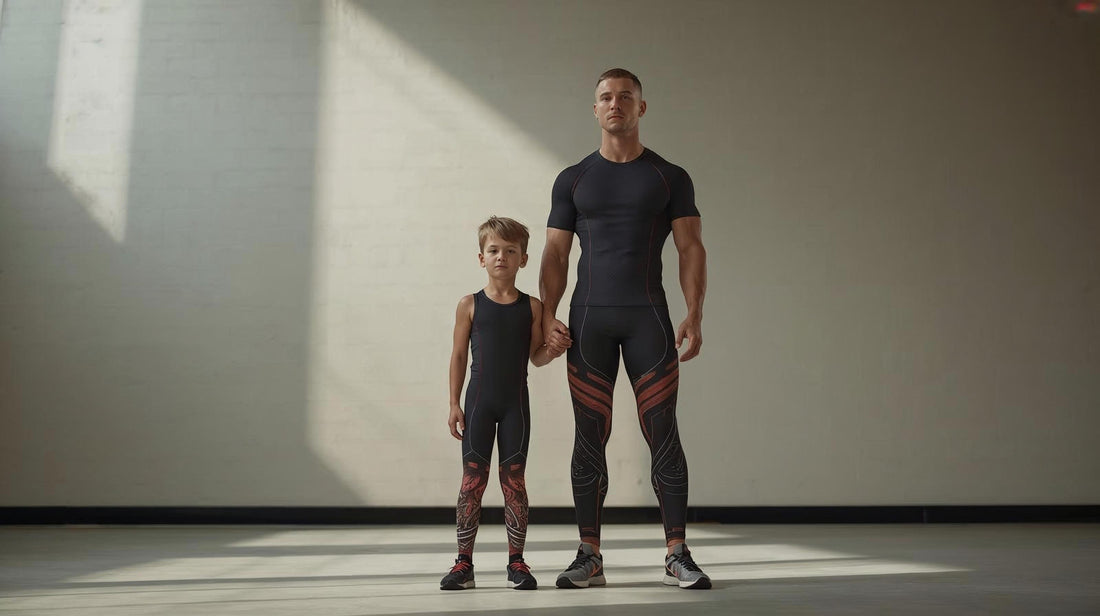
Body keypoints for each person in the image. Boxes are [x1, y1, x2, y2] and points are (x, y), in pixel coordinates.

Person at [539, 68, 711, 590]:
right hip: (589, 319)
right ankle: (588, 553)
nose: (615, 104)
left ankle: (677, 551)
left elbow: (690, 248)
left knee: (663, 431)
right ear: (595, 109)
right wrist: (547, 317)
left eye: (625, 97)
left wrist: (695, 311)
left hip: (648, 318)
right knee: (589, 435)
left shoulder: (669, 177)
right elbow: (554, 251)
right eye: (605, 98)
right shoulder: (573, 178)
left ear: (641, 108)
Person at [440, 216, 568, 591]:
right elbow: (458, 356)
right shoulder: (469, 305)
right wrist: (452, 403)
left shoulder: (533, 307)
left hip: (516, 405)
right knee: (471, 483)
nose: (501, 257)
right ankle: (464, 563)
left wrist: (554, 350)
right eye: (494, 250)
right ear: (481, 258)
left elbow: (536, 357)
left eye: (510, 251)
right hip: (478, 404)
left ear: (523, 259)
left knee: (514, 482)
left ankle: (517, 562)